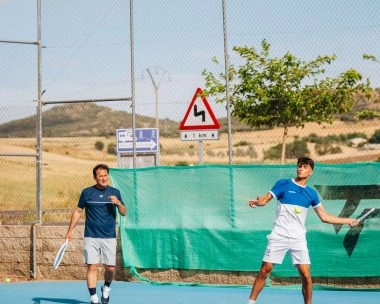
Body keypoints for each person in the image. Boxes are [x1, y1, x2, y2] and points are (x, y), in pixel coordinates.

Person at [246, 156, 359, 304]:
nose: (301, 168)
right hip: (279, 235)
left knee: (306, 275)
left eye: (305, 167)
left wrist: (348, 220)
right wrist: (258, 202)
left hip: (298, 238)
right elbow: (265, 199)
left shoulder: (311, 193)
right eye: (299, 165)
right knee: (265, 270)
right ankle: (251, 302)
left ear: (310, 172)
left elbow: (324, 217)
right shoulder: (283, 184)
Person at [65, 163, 127, 304]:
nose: (103, 178)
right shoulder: (87, 192)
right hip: (91, 236)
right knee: (92, 266)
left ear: (108, 176)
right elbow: (78, 211)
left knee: (110, 268)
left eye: (105, 175)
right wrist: (70, 231)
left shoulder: (115, 192)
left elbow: (124, 212)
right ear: (95, 178)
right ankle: (93, 297)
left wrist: (118, 203)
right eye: (100, 176)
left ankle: (106, 288)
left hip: (109, 236)